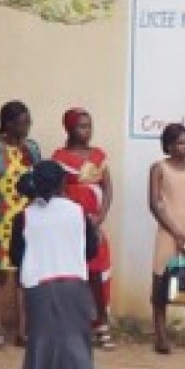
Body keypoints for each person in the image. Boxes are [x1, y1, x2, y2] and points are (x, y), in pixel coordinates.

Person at [11, 161, 101, 369]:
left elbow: (16, 254)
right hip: (74, 282)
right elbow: (91, 249)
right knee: (78, 338)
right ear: (62, 183)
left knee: (41, 340)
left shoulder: (25, 216)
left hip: (40, 284)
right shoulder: (78, 212)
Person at [53, 108, 115, 349]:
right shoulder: (59, 157)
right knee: (72, 276)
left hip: (93, 223)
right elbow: (58, 191)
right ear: (69, 128)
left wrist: (100, 217)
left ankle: (102, 324)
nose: (87, 131)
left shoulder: (98, 156)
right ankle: (75, 325)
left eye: (89, 126)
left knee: (97, 274)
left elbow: (107, 189)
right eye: (81, 126)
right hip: (69, 224)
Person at [0, 101, 42, 349]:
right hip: (1, 222)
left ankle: (22, 332)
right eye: (22, 122)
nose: (27, 126)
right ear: (7, 124)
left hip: (27, 221)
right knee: (1, 274)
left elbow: (39, 180)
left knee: (24, 275)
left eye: (29, 122)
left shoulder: (32, 149)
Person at [148, 123, 185, 356]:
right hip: (168, 231)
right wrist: (176, 233)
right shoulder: (158, 168)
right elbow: (155, 204)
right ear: (169, 145)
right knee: (161, 280)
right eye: (180, 142)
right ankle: (161, 337)